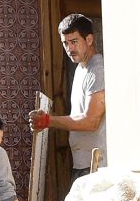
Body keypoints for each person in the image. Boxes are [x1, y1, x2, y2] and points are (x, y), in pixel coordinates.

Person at [29, 13, 106, 175]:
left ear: (89, 40)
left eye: (74, 42)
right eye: (65, 43)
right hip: (83, 163)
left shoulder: (98, 70)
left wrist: (48, 121)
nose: (69, 48)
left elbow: (91, 121)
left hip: (98, 165)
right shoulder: (80, 68)